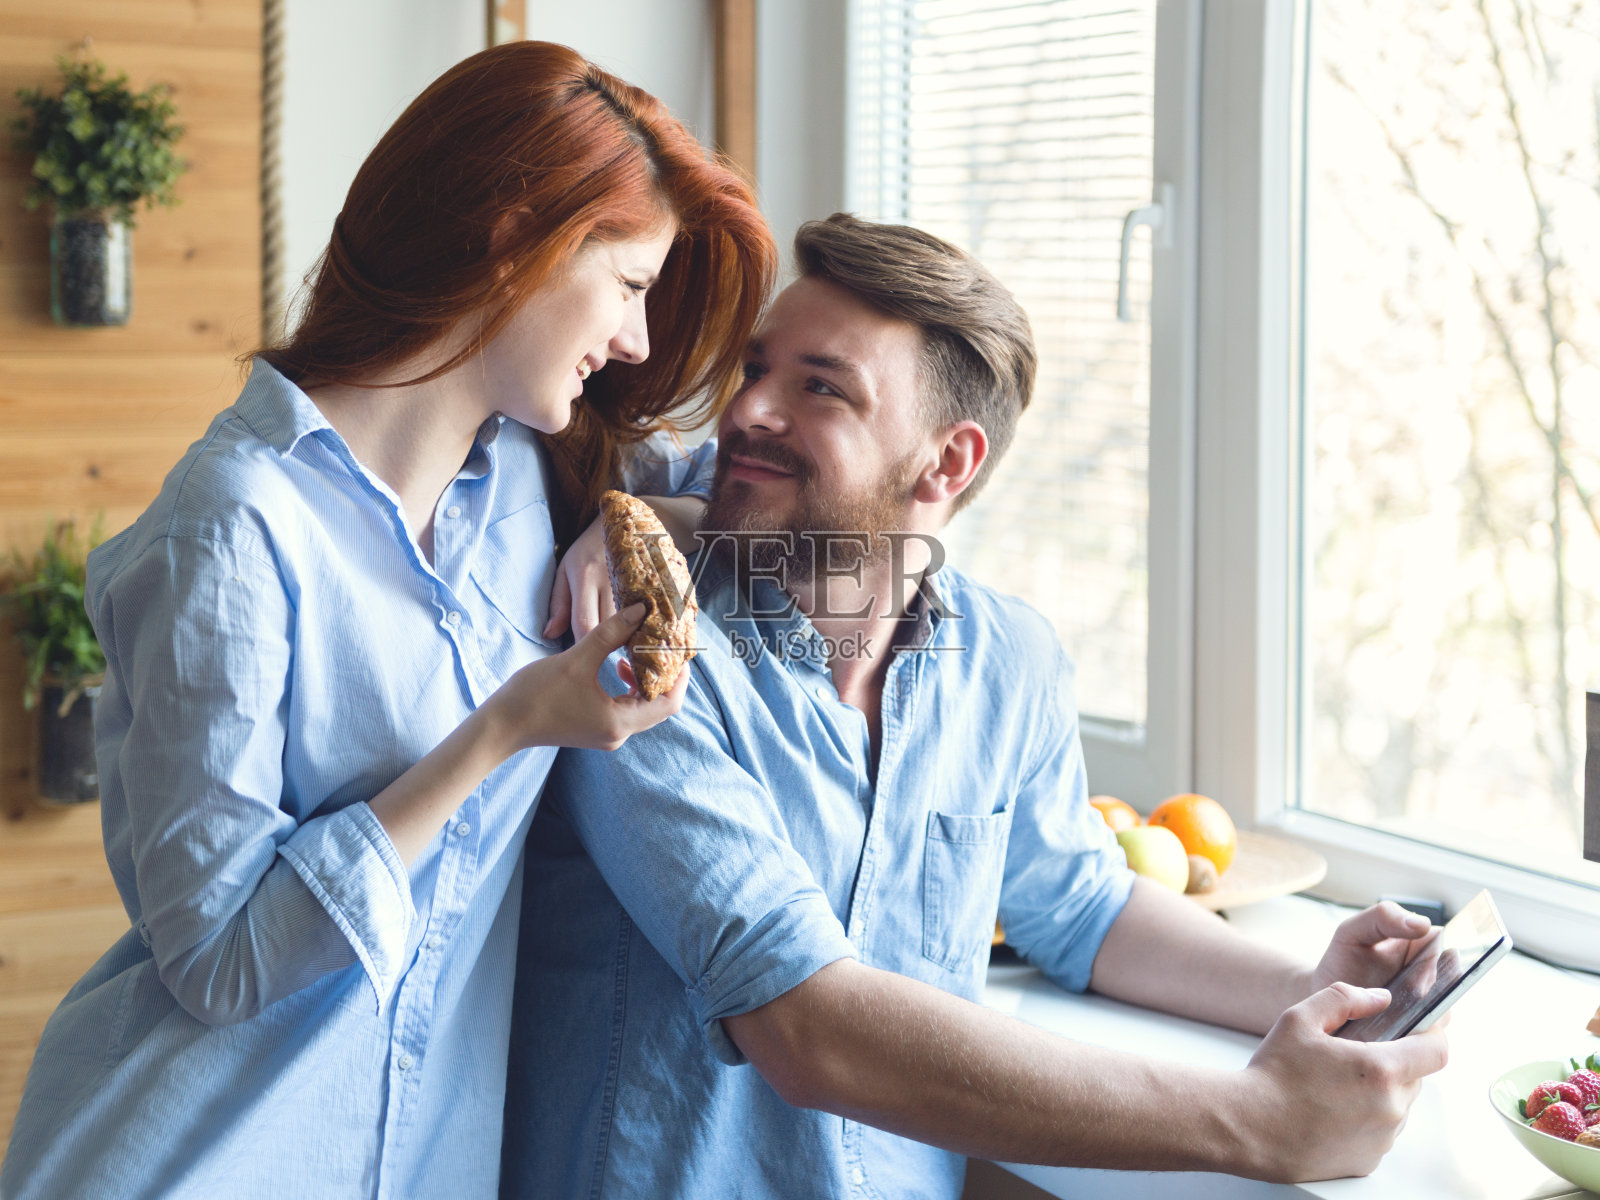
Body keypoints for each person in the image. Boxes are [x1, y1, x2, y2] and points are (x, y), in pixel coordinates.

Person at [501, 213, 1449, 1198]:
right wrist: (1254, 1121)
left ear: (947, 463)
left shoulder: (1008, 662)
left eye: (819, 386)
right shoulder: (644, 647)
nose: (748, 412)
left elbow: (1078, 905)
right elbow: (801, 1025)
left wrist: (1300, 992)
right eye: (755, 370)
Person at [0, 42, 774, 1200]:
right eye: (627, 286)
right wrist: (505, 728)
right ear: (517, 242)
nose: (637, 341)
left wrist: (621, 513)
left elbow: (769, 494)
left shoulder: (529, 476)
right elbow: (218, 960)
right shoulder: (232, 528)